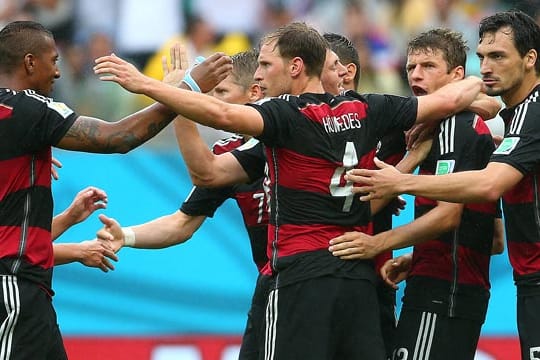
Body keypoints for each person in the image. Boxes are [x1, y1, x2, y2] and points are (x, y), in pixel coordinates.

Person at [94, 22, 487, 359]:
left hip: (302, 277)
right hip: (359, 282)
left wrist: (148, 85)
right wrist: (476, 86)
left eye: (266, 64)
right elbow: (454, 98)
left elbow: (220, 121)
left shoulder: (283, 117)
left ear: (297, 67)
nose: (259, 74)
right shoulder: (372, 111)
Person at [0, 20, 230, 360]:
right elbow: (118, 138)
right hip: (12, 286)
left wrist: (66, 219)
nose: (59, 73)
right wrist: (188, 89)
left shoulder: (17, 129)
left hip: (30, 287)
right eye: (54, 60)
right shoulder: (29, 108)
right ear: (30, 62)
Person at [343, 11, 540, 360]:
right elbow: (494, 237)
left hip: (450, 288)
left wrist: (398, 189)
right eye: (483, 56)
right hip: (514, 285)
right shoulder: (504, 121)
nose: (488, 66)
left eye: (498, 56)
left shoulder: (481, 122)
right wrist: (417, 254)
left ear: (530, 59)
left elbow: (481, 192)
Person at [97, 47, 270, 360]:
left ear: (254, 93)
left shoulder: (285, 137)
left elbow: (203, 173)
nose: (211, 100)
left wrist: (179, 95)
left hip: (313, 282)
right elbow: (182, 223)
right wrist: (127, 236)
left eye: (221, 91)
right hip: (270, 286)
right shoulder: (231, 150)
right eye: (209, 92)